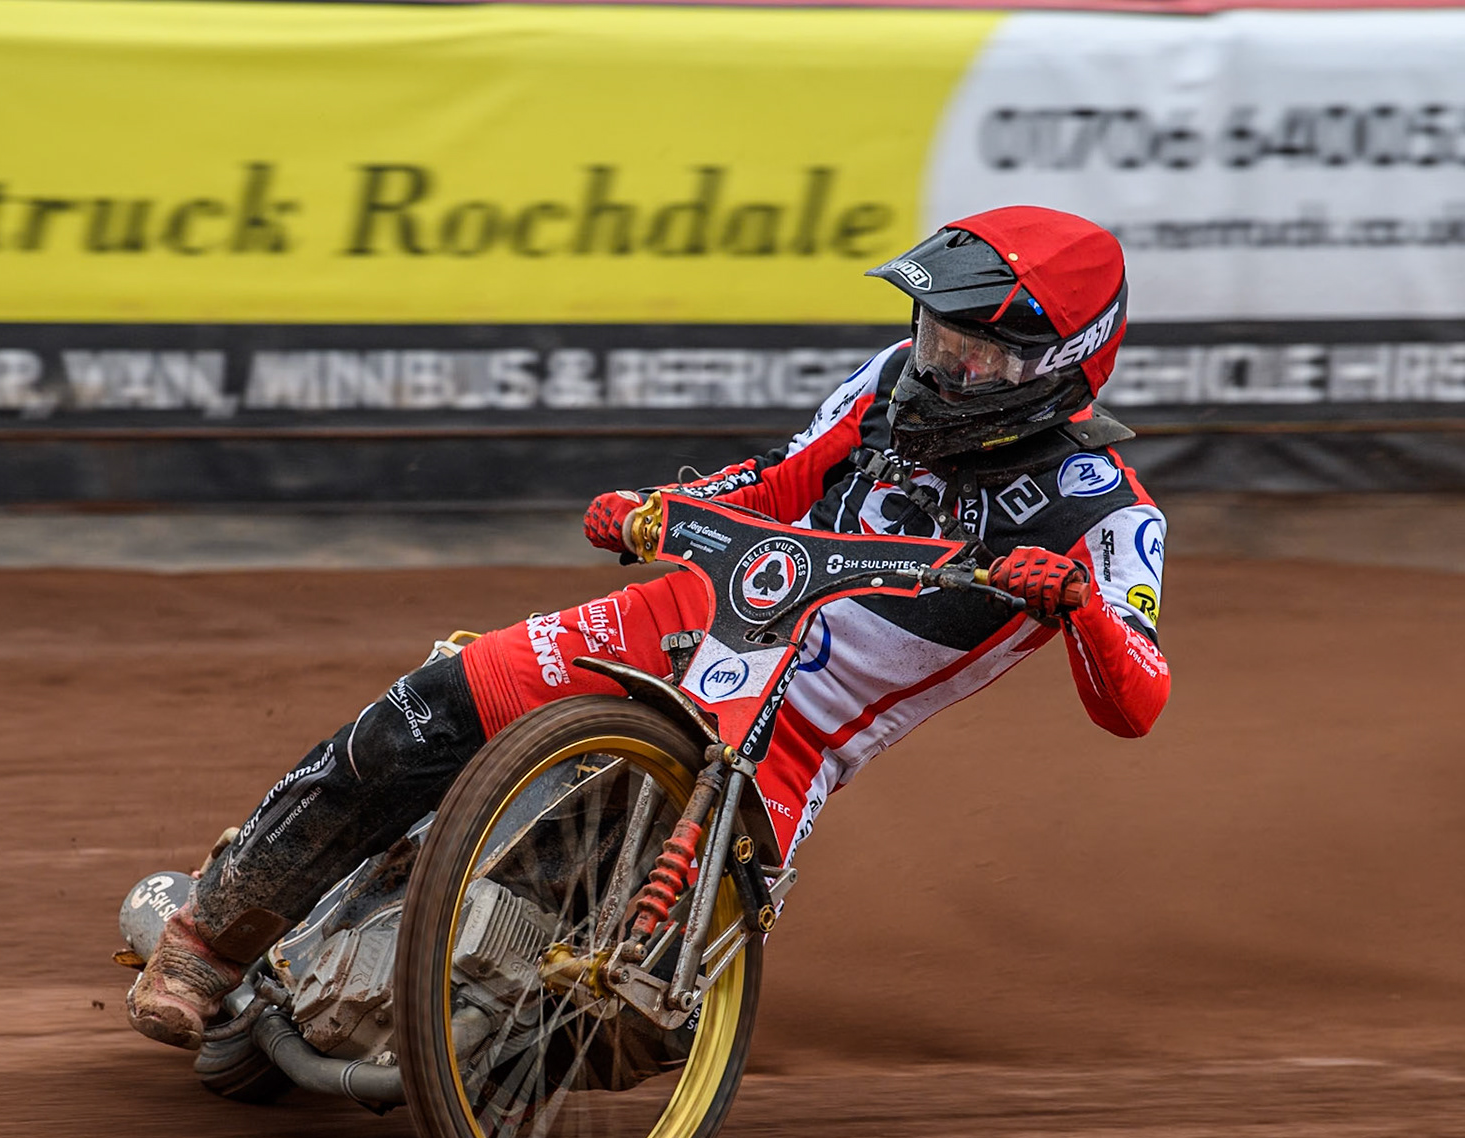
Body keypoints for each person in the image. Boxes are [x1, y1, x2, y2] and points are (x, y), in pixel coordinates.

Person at [126, 205, 1171, 1052]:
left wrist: (1078, 605)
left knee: (611, 994)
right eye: (940, 336)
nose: (943, 366)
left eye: (979, 354)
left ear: (1058, 366)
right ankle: (205, 939)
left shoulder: (1109, 514)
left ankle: (446, 1037)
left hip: (793, 734)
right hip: (688, 611)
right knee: (416, 719)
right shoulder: (889, 380)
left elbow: (1138, 700)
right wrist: (658, 505)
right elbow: (770, 485)